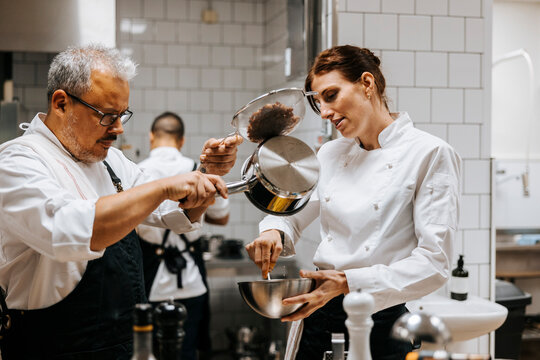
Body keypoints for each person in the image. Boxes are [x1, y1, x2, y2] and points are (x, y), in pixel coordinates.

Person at [0, 44, 241, 360]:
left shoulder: (110, 161)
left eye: (122, 114)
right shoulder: (17, 161)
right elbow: (70, 230)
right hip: (54, 347)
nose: (118, 128)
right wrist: (164, 186)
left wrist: (206, 175)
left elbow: (172, 214)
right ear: (61, 103)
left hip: (123, 344)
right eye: (107, 116)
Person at [245, 45, 461, 360]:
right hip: (318, 312)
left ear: (367, 84)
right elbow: (294, 213)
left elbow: (434, 263)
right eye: (319, 102)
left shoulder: (429, 153)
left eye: (331, 95)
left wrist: (347, 282)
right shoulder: (331, 153)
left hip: (381, 320)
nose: (326, 112)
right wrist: (273, 232)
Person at [137, 111, 231, 360]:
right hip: (190, 282)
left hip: (149, 283)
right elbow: (221, 217)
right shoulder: (196, 170)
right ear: (181, 140)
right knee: (187, 352)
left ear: (151, 137)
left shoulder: (135, 172)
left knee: (147, 352)